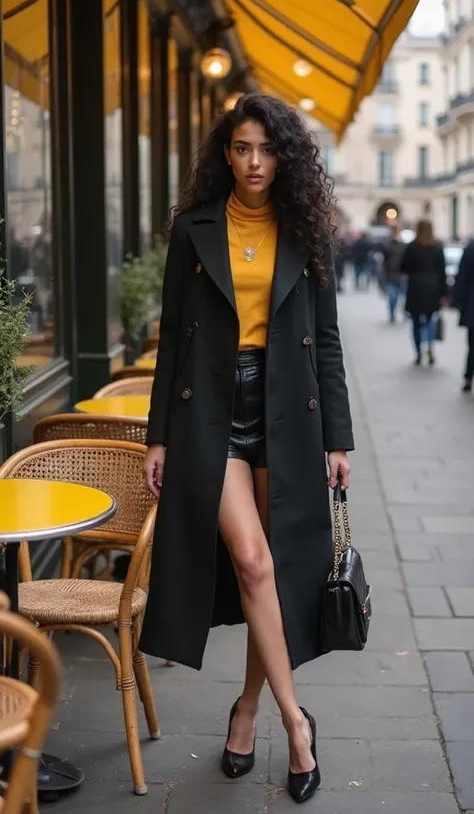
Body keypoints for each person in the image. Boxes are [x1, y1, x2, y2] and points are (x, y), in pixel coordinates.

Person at [140, 93, 354, 804]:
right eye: (241, 148)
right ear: (224, 153)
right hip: (214, 411)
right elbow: (172, 339)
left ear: (284, 154)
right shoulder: (194, 229)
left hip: (289, 408)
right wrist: (159, 434)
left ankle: (249, 710)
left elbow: (325, 340)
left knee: (282, 575)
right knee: (254, 563)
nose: (254, 162)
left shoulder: (306, 230)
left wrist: (340, 438)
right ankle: (298, 726)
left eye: (266, 149)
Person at [400, 220, 447, 366]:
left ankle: (419, 352)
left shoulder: (413, 247)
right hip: (433, 288)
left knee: (415, 322)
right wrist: (443, 292)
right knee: (429, 320)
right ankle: (430, 347)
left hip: (416, 287)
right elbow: (442, 271)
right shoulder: (437, 246)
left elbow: (403, 266)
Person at [453, 238, 474, 392]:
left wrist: (458, 301)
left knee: (472, 345)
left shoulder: (471, 248)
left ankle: (468, 376)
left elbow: (462, 276)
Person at [381, 224, 406, 323]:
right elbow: (384, 263)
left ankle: (400, 313)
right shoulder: (387, 245)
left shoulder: (403, 245)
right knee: (393, 297)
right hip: (392, 275)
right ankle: (392, 314)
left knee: (399, 297)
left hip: (400, 275)